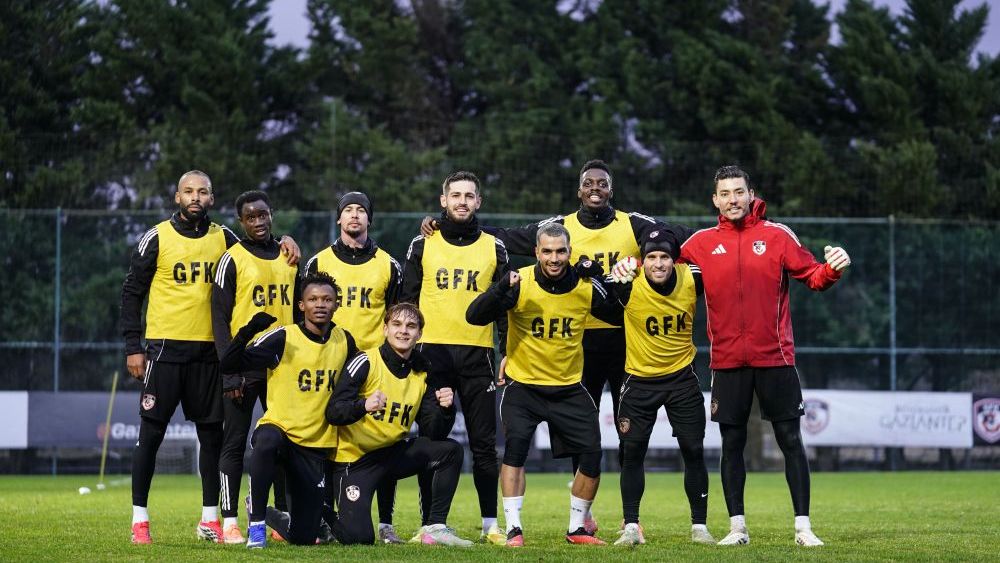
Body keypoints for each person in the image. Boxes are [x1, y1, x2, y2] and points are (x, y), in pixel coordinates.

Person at [422, 160, 688, 532]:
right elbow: (509, 237)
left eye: (602, 183)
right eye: (588, 183)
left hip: (621, 337)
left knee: (628, 432)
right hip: (578, 344)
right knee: (578, 437)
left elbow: (677, 236)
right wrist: (447, 225)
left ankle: (631, 519)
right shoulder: (560, 227)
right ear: (579, 190)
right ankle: (583, 517)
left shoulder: (632, 224)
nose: (595, 188)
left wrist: (644, 261)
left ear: (611, 189)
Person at [120, 170, 299, 545]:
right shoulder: (157, 237)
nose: (195, 197)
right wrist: (133, 346)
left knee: (212, 438)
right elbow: (132, 292)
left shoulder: (225, 238)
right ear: (177, 197)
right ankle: (140, 520)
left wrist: (286, 241)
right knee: (150, 435)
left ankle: (210, 519)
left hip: (211, 354)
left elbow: (259, 246)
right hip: (165, 349)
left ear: (212, 199)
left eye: (202, 192)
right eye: (188, 191)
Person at [679, 165, 851, 547]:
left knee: (790, 439)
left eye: (739, 192)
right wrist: (633, 268)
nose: (733, 200)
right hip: (727, 361)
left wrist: (833, 269)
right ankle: (737, 528)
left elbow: (814, 276)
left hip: (776, 358)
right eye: (725, 194)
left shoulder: (777, 236)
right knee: (731, 444)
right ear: (715, 200)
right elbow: (662, 275)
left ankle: (803, 528)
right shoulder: (699, 245)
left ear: (751, 194)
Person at [466, 223, 619, 547]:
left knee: (593, 455)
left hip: (569, 387)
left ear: (569, 252)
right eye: (547, 251)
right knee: (515, 450)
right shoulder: (520, 282)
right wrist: (500, 288)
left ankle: (577, 528)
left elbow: (621, 313)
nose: (554, 258)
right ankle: (514, 529)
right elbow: (474, 315)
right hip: (524, 386)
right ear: (536, 252)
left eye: (560, 251)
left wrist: (603, 277)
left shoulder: (584, 287)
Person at [400, 171, 510, 544]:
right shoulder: (422, 243)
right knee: (431, 438)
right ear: (443, 200)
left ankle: (490, 525)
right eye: (456, 195)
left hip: (479, 355)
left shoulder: (495, 247)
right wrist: (409, 353)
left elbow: (505, 305)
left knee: (484, 445)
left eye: (469, 195)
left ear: (478, 201)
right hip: (432, 355)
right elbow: (407, 303)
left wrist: (506, 350)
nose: (462, 201)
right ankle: (430, 524)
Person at [219, 271, 357, 548]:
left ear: (337, 304)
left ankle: (265, 511)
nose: (320, 304)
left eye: (327, 299)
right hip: (280, 431)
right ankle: (257, 526)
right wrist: (248, 331)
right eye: (313, 299)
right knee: (267, 441)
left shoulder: (345, 340)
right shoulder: (283, 337)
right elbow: (229, 364)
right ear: (301, 305)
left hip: (315, 446)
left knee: (304, 538)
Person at [324, 303, 472, 547]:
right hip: (354, 461)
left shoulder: (422, 371)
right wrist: (363, 405)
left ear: (419, 334)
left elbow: (432, 432)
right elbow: (333, 412)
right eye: (397, 324)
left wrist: (446, 410)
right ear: (385, 329)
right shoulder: (365, 361)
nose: (403, 331)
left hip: (390, 456)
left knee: (450, 450)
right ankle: (319, 509)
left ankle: (434, 527)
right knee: (358, 538)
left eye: (411, 326)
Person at [305, 191, 405, 543]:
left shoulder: (389, 265)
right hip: (328, 363)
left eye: (361, 210)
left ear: (369, 219)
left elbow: (397, 317)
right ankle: (324, 518)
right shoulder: (318, 262)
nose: (354, 215)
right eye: (348, 209)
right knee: (324, 439)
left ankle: (386, 523)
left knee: (384, 440)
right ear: (339, 218)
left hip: (375, 366)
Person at [604, 231, 715, 546]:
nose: (658, 263)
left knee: (693, 450)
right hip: (639, 380)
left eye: (664, 256)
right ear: (643, 260)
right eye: (651, 257)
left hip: (682, 378)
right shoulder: (627, 281)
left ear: (674, 259)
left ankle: (699, 527)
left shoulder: (692, 277)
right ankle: (631, 526)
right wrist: (614, 273)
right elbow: (600, 294)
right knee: (632, 453)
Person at [211, 190, 299, 543]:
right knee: (233, 443)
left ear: (271, 214)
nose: (258, 222)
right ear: (241, 221)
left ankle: (280, 519)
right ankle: (230, 520)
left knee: (281, 442)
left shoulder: (289, 255)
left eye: (263, 214)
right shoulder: (231, 259)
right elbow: (219, 320)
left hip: (283, 365)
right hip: (244, 366)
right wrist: (229, 371)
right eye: (251, 217)